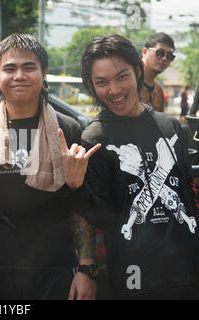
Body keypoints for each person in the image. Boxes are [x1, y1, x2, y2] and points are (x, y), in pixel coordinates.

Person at [0, 33, 101, 300]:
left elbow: (79, 202)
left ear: (44, 72)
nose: (19, 76)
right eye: (9, 68)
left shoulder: (68, 130)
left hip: (57, 267)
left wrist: (86, 269)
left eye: (29, 67)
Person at [76, 34, 199, 299]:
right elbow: (104, 218)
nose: (114, 90)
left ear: (138, 71)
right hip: (135, 275)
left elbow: (187, 193)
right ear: (91, 86)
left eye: (122, 76)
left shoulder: (170, 126)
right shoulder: (95, 138)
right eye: (102, 82)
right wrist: (75, 188)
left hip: (186, 269)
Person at [140, 32, 175, 112]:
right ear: (145, 52)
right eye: (160, 53)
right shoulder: (129, 80)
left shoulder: (158, 89)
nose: (164, 59)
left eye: (169, 56)